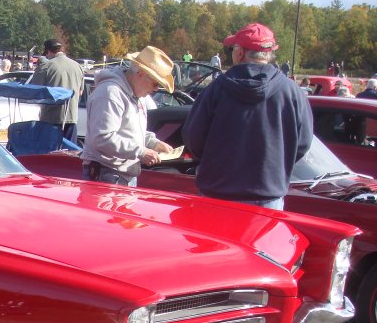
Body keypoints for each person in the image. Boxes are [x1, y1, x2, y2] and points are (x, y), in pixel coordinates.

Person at [182, 23, 312, 211]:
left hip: (217, 194)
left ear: (240, 53)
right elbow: (303, 143)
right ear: (269, 53)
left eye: (232, 49)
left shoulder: (216, 90)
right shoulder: (292, 92)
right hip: (268, 197)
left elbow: (193, 138)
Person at [80, 45, 175, 187]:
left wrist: (153, 143)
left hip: (119, 174)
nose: (156, 89)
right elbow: (102, 138)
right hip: (106, 174)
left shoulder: (134, 95)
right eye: (155, 83)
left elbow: (129, 131)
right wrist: (141, 152)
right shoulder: (110, 93)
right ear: (141, 73)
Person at [28, 38, 85, 143]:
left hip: (51, 118)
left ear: (48, 52)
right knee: (69, 151)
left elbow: (34, 90)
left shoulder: (46, 66)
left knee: (50, 151)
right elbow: (80, 92)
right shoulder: (78, 66)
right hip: (71, 118)